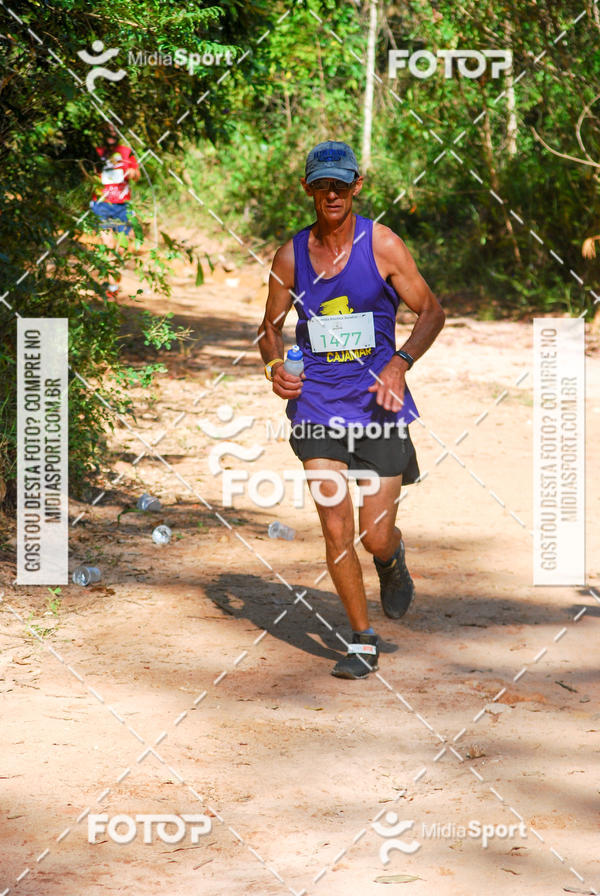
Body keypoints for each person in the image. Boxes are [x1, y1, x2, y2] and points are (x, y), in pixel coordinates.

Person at [258, 140, 445, 680]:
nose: (332, 193)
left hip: (379, 403)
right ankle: (362, 639)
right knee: (336, 526)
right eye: (322, 184)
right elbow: (268, 329)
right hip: (316, 405)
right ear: (309, 190)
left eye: (341, 183)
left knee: (373, 534)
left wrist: (400, 363)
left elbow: (431, 310)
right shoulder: (291, 255)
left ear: (356, 186)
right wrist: (275, 369)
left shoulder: (382, 244)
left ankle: (391, 559)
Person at [89, 123, 140, 294]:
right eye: (107, 132)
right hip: (103, 203)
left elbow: (136, 174)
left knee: (120, 249)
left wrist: (131, 173)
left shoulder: (126, 152)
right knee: (108, 244)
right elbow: (89, 175)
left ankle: (113, 282)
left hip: (121, 206)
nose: (110, 135)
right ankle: (109, 284)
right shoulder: (97, 153)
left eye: (113, 132)